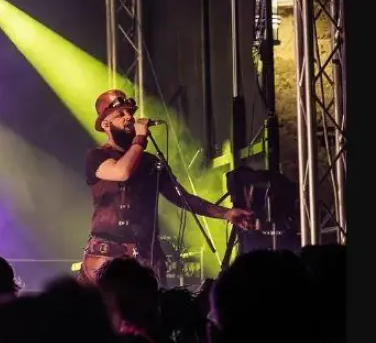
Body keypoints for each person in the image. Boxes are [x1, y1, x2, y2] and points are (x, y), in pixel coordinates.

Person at [84, 90, 254, 283]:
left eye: (130, 112)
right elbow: (122, 172)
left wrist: (226, 213)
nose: (129, 117)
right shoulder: (97, 157)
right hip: (106, 260)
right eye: (120, 114)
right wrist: (140, 138)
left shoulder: (149, 162)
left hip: (146, 257)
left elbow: (183, 198)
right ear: (106, 124)